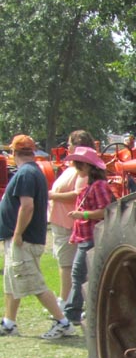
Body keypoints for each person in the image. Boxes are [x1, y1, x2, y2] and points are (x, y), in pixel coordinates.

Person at [0, 134, 76, 338]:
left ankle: (63, 323)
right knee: (11, 281)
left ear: (13, 153)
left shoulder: (25, 173)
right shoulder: (33, 171)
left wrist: (17, 234)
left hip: (24, 239)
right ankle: (9, 323)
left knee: (35, 284)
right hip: (23, 238)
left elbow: (27, 206)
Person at [63, 146, 114, 327]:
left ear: (86, 166)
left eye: (78, 165)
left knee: (79, 275)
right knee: (81, 276)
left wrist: (83, 216)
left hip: (92, 238)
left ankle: (72, 314)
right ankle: (76, 312)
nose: (76, 169)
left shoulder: (99, 186)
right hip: (86, 238)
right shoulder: (92, 185)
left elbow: (105, 212)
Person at [48, 129, 95, 307]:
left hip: (70, 223)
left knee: (68, 264)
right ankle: (71, 300)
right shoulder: (74, 167)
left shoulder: (83, 168)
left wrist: (52, 196)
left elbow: (79, 194)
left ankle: (66, 300)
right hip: (64, 221)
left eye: (69, 144)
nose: (67, 147)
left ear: (77, 146)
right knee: (68, 263)